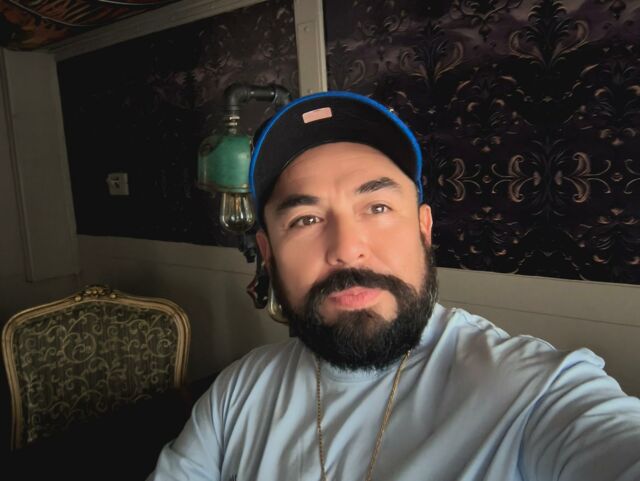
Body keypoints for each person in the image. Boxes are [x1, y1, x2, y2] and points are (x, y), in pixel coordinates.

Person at [148, 91, 640, 481]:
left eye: (378, 208)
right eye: (305, 219)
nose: (347, 248)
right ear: (268, 251)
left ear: (424, 229)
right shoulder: (236, 393)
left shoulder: (533, 392)